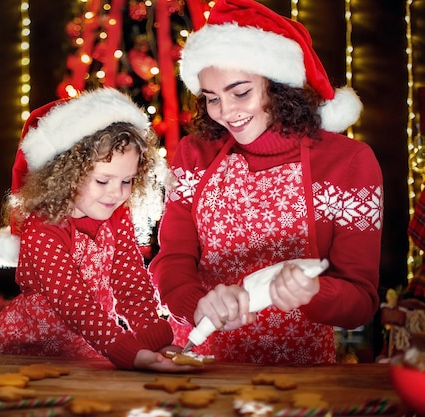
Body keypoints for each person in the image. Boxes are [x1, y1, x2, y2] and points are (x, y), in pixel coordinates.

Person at [149, 0, 384, 364]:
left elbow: (362, 300)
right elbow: (173, 260)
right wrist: (197, 306)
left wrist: (314, 292)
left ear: (279, 86)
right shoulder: (194, 153)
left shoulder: (350, 163)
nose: (226, 112)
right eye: (211, 98)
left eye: (240, 92)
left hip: (299, 376)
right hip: (199, 365)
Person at [0, 88, 190, 372]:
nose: (116, 193)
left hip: (93, 345)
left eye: (127, 181)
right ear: (66, 175)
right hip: (32, 353)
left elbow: (130, 282)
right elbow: (73, 301)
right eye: (103, 181)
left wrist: (156, 341)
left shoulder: (115, 216)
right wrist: (129, 351)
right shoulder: (43, 228)